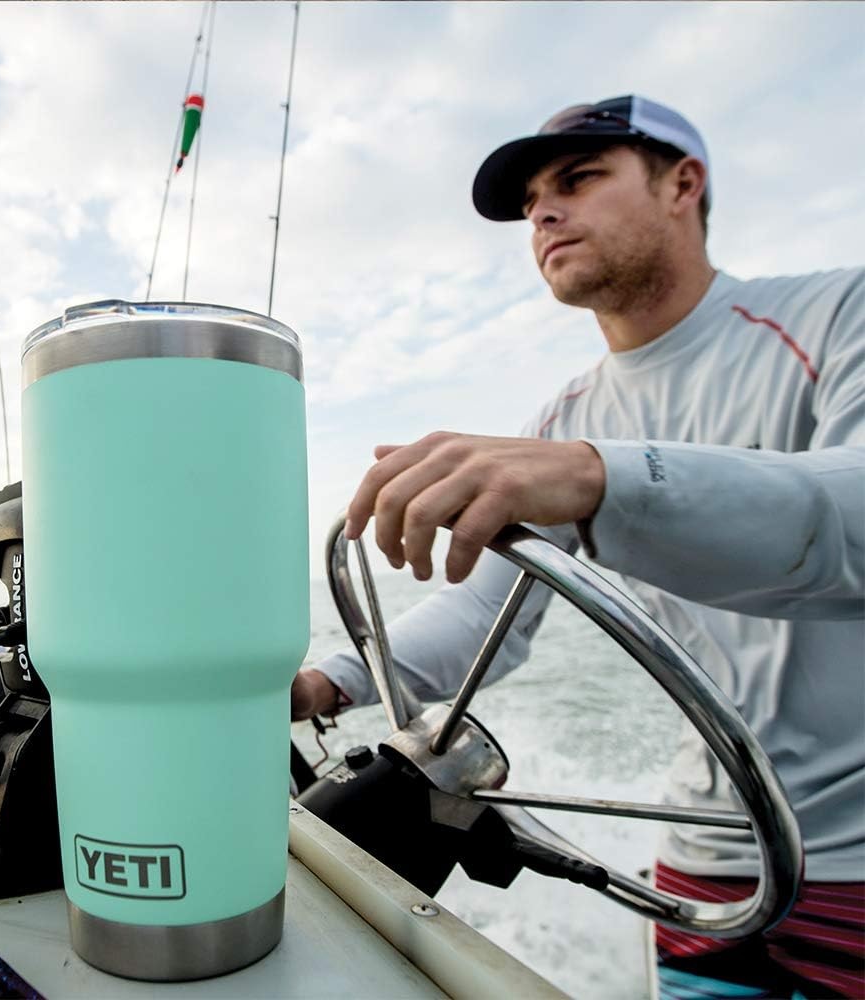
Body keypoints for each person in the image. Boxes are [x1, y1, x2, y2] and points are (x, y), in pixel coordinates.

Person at [291, 95, 865, 998]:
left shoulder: (837, 315)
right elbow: (488, 615)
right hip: (707, 867)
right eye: (530, 203)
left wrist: (602, 478)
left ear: (684, 183)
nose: (544, 213)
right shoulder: (565, 419)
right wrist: (323, 682)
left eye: (579, 179)